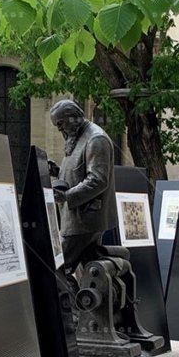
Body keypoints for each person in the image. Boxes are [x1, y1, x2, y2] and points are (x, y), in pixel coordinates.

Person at [49, 99, 116, 273]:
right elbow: (79, 171)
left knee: (57, 266)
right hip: (78, 218)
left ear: (73, 117)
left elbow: (98, 180)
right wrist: (58, 171)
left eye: (61, 123)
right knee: (88, 269)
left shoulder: (95, 139)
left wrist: (67, 196)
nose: (59, 129)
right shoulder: (76, 136)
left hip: (83, 221)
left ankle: (63, 299)